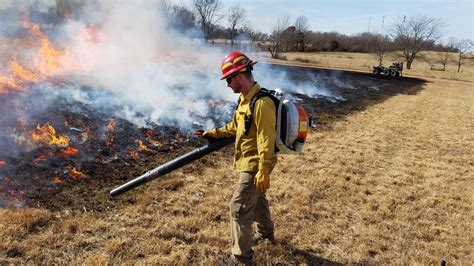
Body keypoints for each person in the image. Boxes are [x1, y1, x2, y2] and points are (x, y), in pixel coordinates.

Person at [201, 51, 277, 264]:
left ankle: (241, 258)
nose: (227, 85)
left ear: (240, 75)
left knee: (238, 206)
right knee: (257, 198)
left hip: (256, 163)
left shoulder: (261, 103)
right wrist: (215, 133)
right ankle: (267, 233)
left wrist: (264, 169)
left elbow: (266, 139)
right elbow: (236, 126)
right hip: (249, 161)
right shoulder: (245, 101)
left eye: (228, 79)